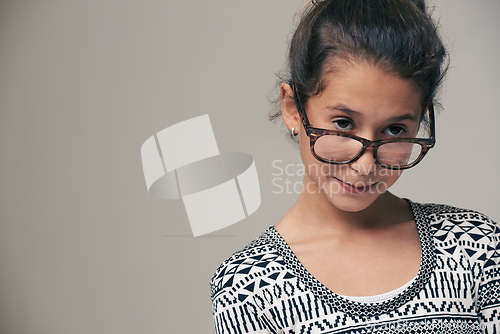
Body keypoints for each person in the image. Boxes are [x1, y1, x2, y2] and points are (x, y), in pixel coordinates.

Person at [210, 0, 500, 332]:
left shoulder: (476, 247)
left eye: (394, 130)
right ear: (293, 108)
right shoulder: (248, 290)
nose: (365, 166)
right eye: (344, 123)